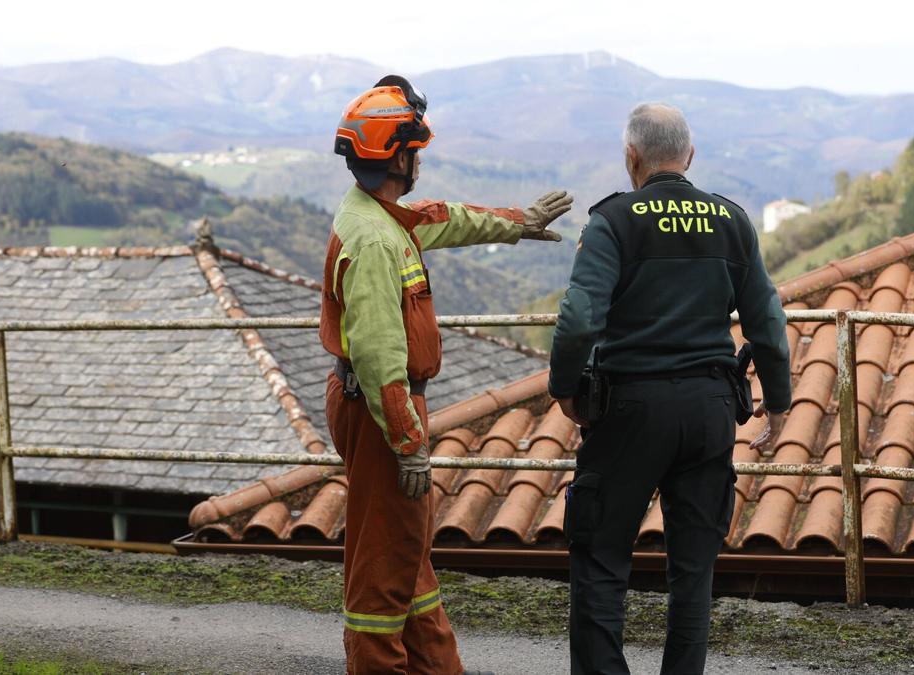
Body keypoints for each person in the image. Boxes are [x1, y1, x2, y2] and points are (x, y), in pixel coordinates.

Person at [320, 75, 573, 675]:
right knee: (383, 570)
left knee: (406, 557)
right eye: (415, 150)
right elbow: (382, 357)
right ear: (396, 155)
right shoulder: (377, 240)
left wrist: (518, 221)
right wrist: (409, 444)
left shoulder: (380, 217)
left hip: (378, 408)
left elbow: (446, 218)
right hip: (386, 413)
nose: (419, 161)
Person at [548, 102, 792, 675]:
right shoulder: (731, 222)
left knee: (602, 559)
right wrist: (777, 403)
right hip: (709, 412)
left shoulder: (614, 221)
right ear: (690, 155)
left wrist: (563, 387)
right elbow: (768, 324)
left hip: (629, 410)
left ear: (631, 157)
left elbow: (580, 318)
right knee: (693, 573)